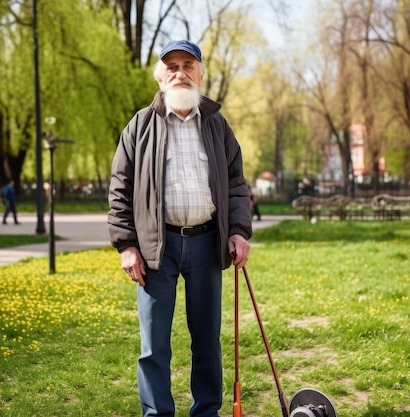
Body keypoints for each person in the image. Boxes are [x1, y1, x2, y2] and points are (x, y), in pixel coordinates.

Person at [107, 40, 252, 417]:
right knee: (154, 344)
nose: (179, 72)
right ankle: (157, 413)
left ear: (200, 74)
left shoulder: (217, 125)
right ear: (160, 76)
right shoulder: (140, 125)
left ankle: (206, 412)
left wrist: (238, 231)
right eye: (171, 66)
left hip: (206, 243)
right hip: (157, 247)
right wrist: (126, 245)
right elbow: (119, 187)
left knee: (206, 339)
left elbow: (236, 185)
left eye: (188, 64)